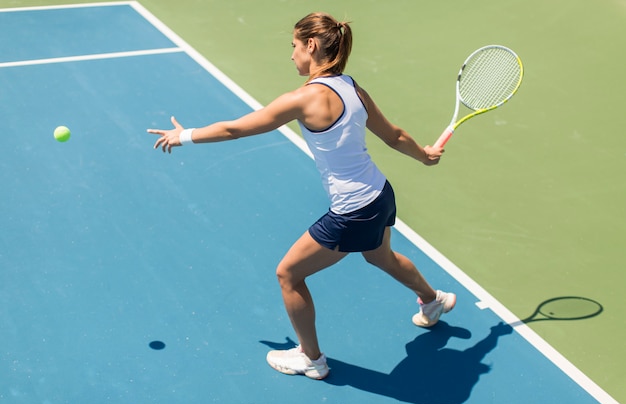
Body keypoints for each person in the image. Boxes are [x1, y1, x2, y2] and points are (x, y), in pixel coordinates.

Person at [148, 12, 456, 380]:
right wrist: (424, 156)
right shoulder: (353, 88)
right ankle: (433, 300)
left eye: (294, 46)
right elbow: (395, 136)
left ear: (311, 46)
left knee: (289, 274)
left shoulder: (304, 99)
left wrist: (185, 135)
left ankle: (311, 358)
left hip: (353, 210)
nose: (291, 54)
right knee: (382, 257)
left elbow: (235, 129)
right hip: (379, 195)